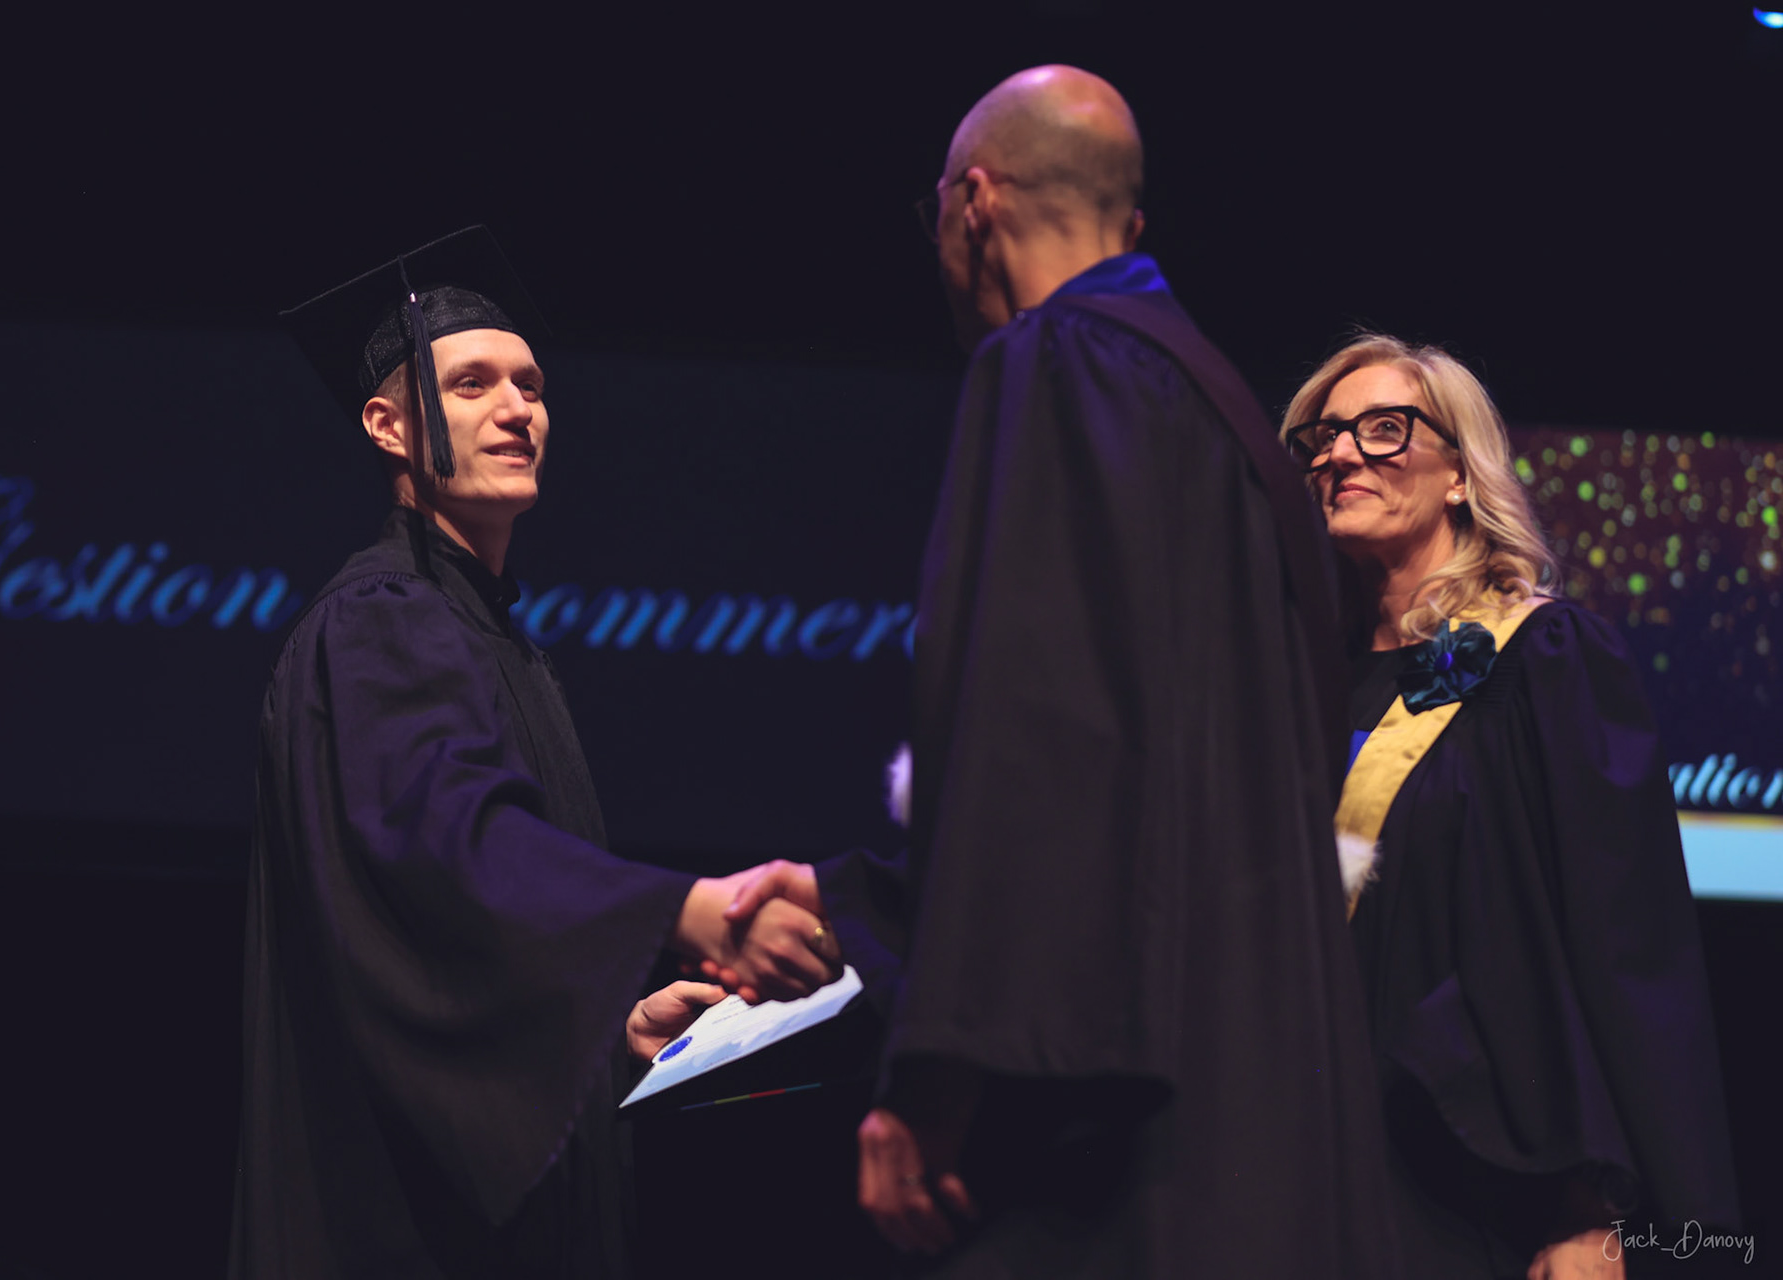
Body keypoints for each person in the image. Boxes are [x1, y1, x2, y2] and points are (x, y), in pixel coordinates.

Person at [728, 65, 1401, 1276]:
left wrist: (937, 1068)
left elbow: (1040, 737)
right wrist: (849, 899)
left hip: (1105, 1131)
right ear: (1130, 224)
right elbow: (1171, 797)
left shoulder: (1054, 363)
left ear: (973, 204)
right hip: (1267, 1106)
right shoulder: (1240, 429)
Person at [227, 227, 838, 1280]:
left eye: (532, 386)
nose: (518, 409)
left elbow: (459, 949)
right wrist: (686, 908)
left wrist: (611, 1032)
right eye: (472, 384)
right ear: (387, 425)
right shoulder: (382, 623)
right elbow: (453, 851)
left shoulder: (492, 637)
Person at [1280, 333, 1741, 1277]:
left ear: (1459, 473)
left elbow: (1619, 947)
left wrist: (1596, 1205)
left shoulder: (1536, 660)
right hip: (1302, 1167)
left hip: (1467, 1184)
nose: (1341, 454)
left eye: (1383, 427)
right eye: (1323, 437)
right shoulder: (1299, 684)